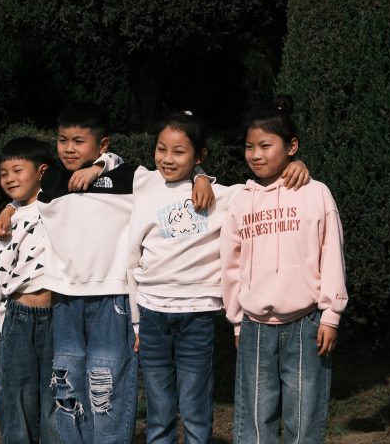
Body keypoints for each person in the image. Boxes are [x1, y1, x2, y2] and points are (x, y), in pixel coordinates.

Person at [0, 102, 215, 444]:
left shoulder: (127, 178)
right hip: (65, 301)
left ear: (103, 145)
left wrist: (201, 177)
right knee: (67, 386)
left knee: (107, 384)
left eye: (79, 141)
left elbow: (171, 174)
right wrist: (9, 209)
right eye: (63, 140)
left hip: (113, 300)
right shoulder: (53, 181)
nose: (69, 148)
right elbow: (23, 193)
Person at [126, 111, 309, 444]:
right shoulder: (144, 186)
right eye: (161, 149)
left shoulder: (224, 197)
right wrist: (136, 322)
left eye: (179, 151)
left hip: (197, 315)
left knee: (195, 405)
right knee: (158, 409)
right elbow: (129, 256)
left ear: (199, 155)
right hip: (152, 315)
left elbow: (266, 189)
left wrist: (296, 166)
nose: (167, 159)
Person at [220, 96, 348, 444]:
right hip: (254, 327)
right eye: (249, 146)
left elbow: (331, 254)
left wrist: (331, 315)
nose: (255, 155)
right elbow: (230, 265)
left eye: (265, 146)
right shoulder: (240, 200)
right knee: (254, 422)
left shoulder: (316, 193)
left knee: (304, 420)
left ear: (292, 147)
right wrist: (236, 320)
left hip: (307, 325)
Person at [0, 137, 60, 444]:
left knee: (56, 401)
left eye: (18, 170)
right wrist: (4, 324)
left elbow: (109, 164)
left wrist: (200, 175)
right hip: (18, 317)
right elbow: (3, 277)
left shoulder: (59, 205)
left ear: (41, 171)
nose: (9, 178)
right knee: (16, 399)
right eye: (3, 172)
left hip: (57, 315)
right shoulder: (5, 223)